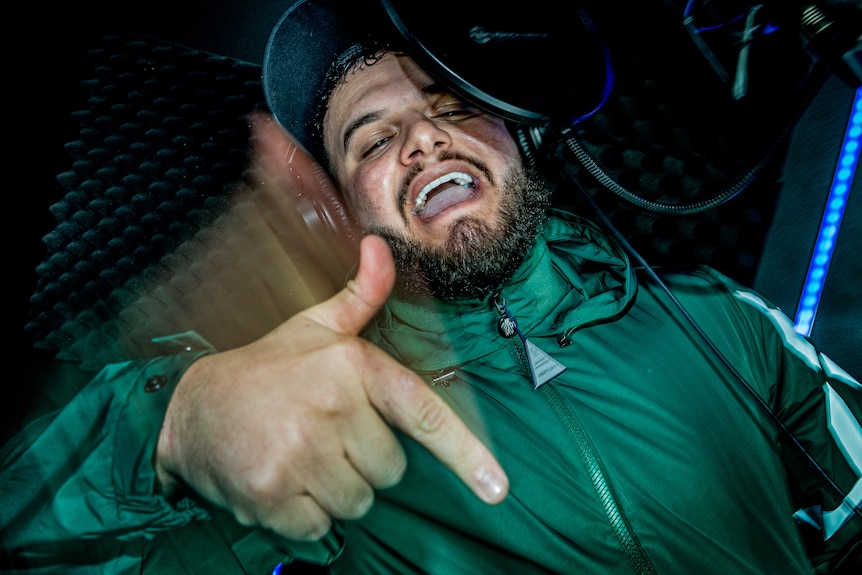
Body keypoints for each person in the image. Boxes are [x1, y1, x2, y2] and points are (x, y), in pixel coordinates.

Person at [2, 0, 861, 573]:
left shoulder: (723, 317)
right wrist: (172, 430)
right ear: (345, 209)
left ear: (522, 141)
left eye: (451, 109)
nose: (421, 141)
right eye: (372, 141)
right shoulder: (323, 425)